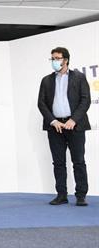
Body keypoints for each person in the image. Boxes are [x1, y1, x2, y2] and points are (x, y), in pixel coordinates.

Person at [38, 47, 91, 206]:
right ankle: (61, 195)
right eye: (52, 58)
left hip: (75, 125)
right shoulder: (46, 80)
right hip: (55, 127)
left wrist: (73, 120)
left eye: (57, 58)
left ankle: (81, 195)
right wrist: (53, 121)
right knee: (58, 162)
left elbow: (85, 100)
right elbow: (41, 103)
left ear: (66, 60)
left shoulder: (79, 77)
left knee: (78, 161)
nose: (54, 61)